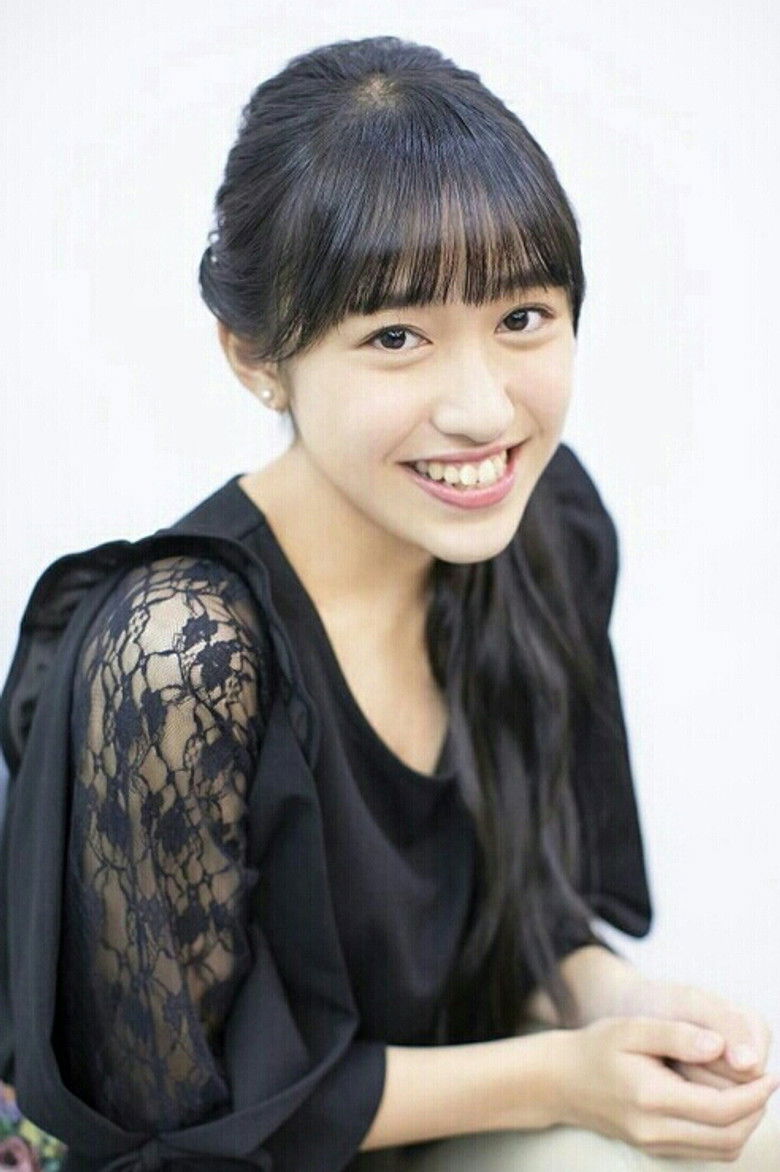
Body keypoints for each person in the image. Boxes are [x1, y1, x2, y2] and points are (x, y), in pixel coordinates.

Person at [0, 33, 778, 1172]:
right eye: (397, 337)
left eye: (522, 317)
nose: (482, 411)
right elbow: (180, 1121)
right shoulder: (178, 653)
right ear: (255, 356)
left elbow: (530, 916)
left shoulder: (546, 527)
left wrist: (627, 1007)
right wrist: (564, 1075)